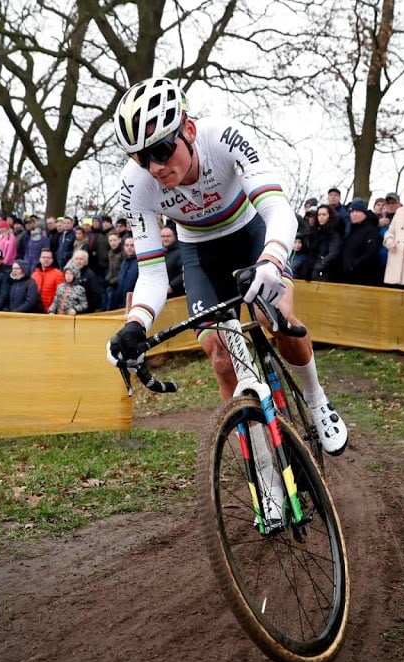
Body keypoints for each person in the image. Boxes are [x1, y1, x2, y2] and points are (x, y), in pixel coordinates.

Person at [107, 76, 347, 455]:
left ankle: (316, 398)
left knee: (279, 319)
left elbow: (276, 207)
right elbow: (152, 271)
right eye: (140, 157)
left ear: (188, 129)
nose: (154, 166)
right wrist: (136, 324)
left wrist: (270, 260)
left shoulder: (224, 137)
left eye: (162, 149)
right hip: (200, 253)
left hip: (250, 233)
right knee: (221, 355)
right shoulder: (136, 185)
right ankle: (264, 473)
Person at [340, 198, 382, 286]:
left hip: (364, 278)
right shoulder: (350, 231)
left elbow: (371, 253)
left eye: (357, 211)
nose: (354, 214)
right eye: (351, 212)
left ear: (364, 213)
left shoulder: (371, 230)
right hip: (347, 278)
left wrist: (353, 266)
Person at [309, 204, 344, 282]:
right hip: (313, 271)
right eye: (319, 215)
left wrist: (318, 266)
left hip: (325, 273)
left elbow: (333, 253)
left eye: (324, 215)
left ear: (330, 216)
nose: (321, 217)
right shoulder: (316, 232)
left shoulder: (334, 234)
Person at [32, 247, 64, 313]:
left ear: (52, 260)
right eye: (44, 257)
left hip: (51, 311)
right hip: (36, 310)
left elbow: (60, 295)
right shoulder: (34, 275)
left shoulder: (58, 274)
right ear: (40, 259)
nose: (46, 259)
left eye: (48, 257)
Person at [111, 235, 139, 310]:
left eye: (132, 245)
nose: (129, 247)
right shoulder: (124, 261)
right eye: (127, 245)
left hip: (134, 302)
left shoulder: (140, 263)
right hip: (122, 301)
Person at [160, 224, 184, 297]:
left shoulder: (180, 252)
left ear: (174, 237)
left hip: (178, 295)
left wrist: (172, 286)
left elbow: (185, 272)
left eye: (168, 236)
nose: (165, 239)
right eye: (163, 237)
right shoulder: (163, 253)